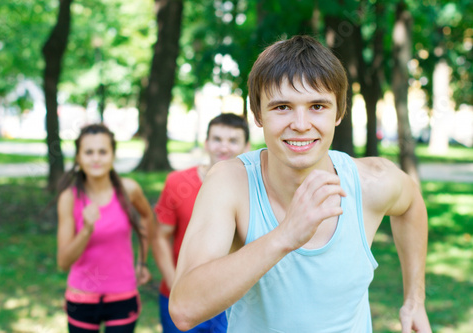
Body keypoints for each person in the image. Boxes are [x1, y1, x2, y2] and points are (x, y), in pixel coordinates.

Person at [169, 35, 432, 333]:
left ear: (339, 112)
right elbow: (183, 308)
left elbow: (411, 205)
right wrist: (285, 236)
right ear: (257, 114)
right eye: (282, 107)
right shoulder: (230, 183)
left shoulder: (371, 182)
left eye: (318, 106)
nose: (301, 123)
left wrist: (415, 299)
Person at [153, 113, 250, 332]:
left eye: (233, 141)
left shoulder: (255, 187)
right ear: (206, 143)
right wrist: (173, 284)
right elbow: (160, 236)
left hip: (233, 300)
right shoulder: (178, 182)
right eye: (217, 139)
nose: (224, 147)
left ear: (246, 146)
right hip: (183, 298)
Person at [56, 124, 154, 332]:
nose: (96, 158)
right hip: (81, 297)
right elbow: (63, 262)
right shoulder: (68, 199)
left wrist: (142, 261)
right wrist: (86, 230)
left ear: (113, 155)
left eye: (103, 151)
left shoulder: (129, 189)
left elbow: (147, 217)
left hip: (123, 294)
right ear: (78, 158)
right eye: (88, 152)